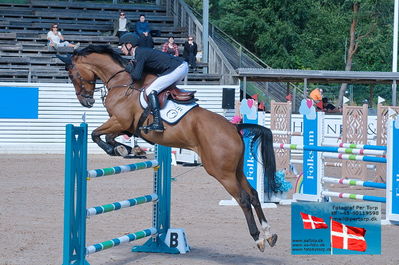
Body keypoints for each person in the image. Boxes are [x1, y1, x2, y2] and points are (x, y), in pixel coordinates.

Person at [119, 33, 189, 132]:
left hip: (177, 67)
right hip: (180, 66)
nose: (121, 48)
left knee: (151, 90)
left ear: (129, 45)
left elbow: (137, 76)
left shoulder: (139, 53)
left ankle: (157, 122)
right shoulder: (140, 53)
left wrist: (129, 70)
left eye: (122, 45)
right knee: (162, 90)